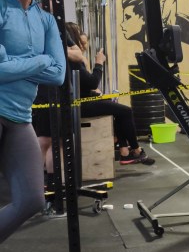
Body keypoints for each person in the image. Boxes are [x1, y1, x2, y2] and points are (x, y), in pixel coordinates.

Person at [1, 0, 67, 252]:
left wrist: (17, 63)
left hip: (19, 117)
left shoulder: (46, 19)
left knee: (31, 201)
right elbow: (45, 65)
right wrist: (37, 61)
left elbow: (57, 74)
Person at [66, 22, 155, 166]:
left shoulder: (74, 59)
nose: (83, 46)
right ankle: (136, 150)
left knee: (118, 109)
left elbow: (83, 84)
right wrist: (99, 63)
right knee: (125, 111)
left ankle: (125, 152)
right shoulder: (74, 60)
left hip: (81, 99)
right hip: (79, 104)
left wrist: (93, 91)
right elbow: (92, 81)